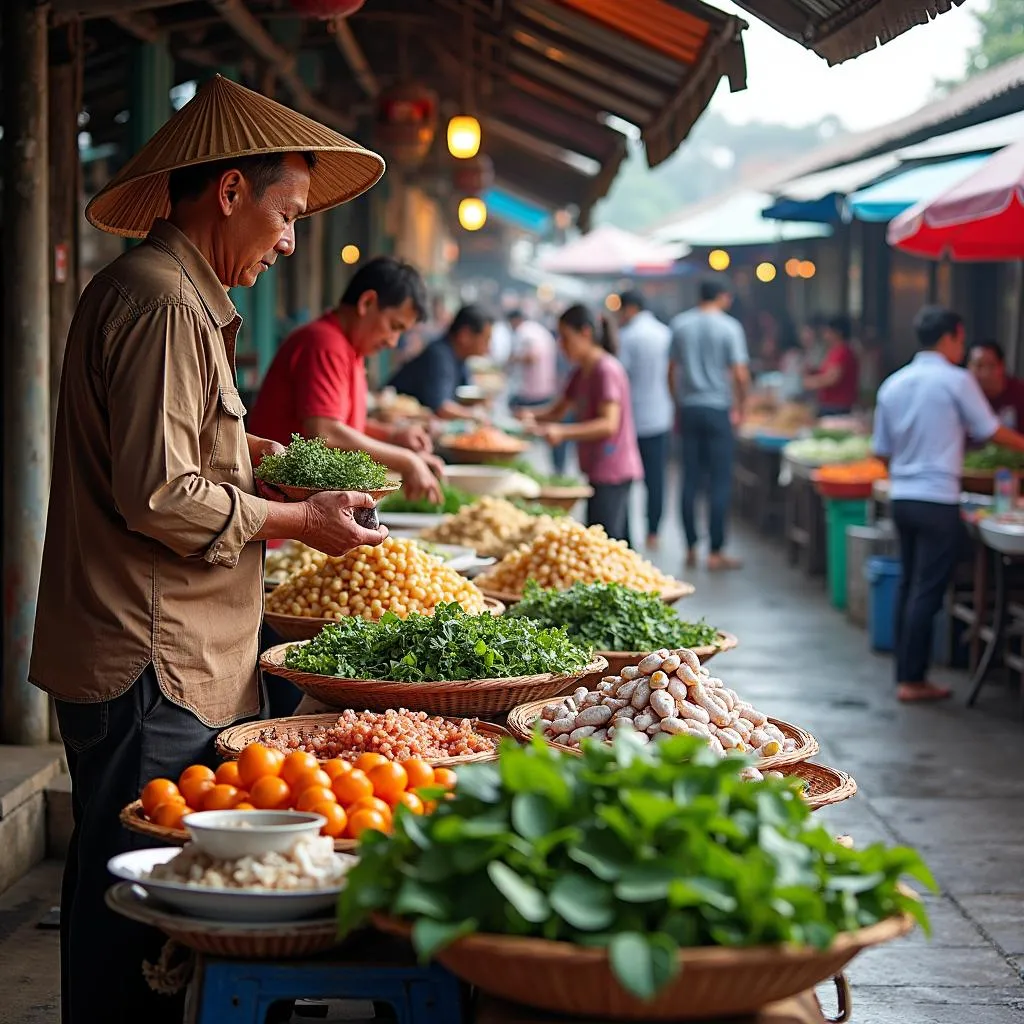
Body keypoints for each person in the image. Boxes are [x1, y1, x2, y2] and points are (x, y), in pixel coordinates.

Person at [31, 76, 389, 1024]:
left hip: (154, 643)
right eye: (286, 214)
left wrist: (269, 459)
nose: (290, 242)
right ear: (230, 191)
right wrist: (304, 522)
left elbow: (182, 447)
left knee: (127, 876)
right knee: (137, 891)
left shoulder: (174, 295)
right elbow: (161, 494)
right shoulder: (163, 305)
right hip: (150, 652)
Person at [873, 306, 1024, 703]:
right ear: (953, 336)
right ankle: (912, 679)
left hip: (902, 497)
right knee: (927, 590)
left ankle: (905, 673)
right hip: (937, 498)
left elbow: (882, 451)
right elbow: (990, 431)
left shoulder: (893, 384)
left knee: (909, 585)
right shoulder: (956, 381)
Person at [249, 256, 443, 502]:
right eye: (394, 326)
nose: (393, 342)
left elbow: (345, 427)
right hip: (277, 511)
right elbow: (326, 433)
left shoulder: (350, 349)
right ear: (367, 302)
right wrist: (406, 460)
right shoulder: (324, 343)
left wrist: (394, 438)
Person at [519, 305, 642, 541]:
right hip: (596, 467)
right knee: (611, 540)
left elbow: (608, 424)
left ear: (585, 333)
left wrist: (562, 433)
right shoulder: (581, 372)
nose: (562, 345)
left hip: (613, 468)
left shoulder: (606, 369)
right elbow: (557, 411)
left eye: (566, 338)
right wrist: (528, 416)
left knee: (607, 543)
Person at [669, 279, 750, 571]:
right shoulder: (730, 327)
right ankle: (715, 551)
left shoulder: (680, 325)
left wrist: (677, 403)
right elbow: (740, 374)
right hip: (718, 410)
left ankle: (690, 545)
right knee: (719, 480)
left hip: (689, 409)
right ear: (722, 297)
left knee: (689, 479)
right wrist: (742, 407)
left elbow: (671, 371)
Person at [617, 289, 674, 549]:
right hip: (659, 415)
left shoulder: (628, 336)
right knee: (656, 479)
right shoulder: (664, 333)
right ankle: (654, 531)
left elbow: (621, 377)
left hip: (632, 418)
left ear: (630, 308)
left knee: (625, 476)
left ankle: (625, 533)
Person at [387, 304, 494, 419]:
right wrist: (475, 415)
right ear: (465, 335)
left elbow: (468, 393)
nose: (488, 348)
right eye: (486, 340)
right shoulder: (439, 356)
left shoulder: (459, 358)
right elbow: (441, 409)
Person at [803, 314, 860, 415]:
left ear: (837, 332)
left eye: (828, 331)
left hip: (837, 406)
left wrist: (810, 382)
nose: (825, 335)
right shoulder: (834, 351)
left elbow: (832, 379)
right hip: (829, 404)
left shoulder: (843, 352)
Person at [507, 309, 558, 411]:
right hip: (546, 389)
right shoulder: (537, 329)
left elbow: (533, 357)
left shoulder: (524, 330)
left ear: (515, 320)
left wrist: (513, 359)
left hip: (532, 391)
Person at [967, 340, 1024, 429]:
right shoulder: (962, 394)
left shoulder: (1020, 393)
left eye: (991, 366)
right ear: (968, 367)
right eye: (979, 366)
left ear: (1002, 366)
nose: (985, 374)